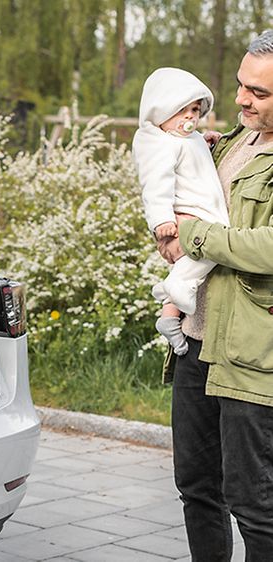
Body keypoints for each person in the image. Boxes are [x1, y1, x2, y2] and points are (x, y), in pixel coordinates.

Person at [158, 30, 273, 562]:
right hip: (197, 343)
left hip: (252, 355)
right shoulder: (228, 143)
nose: (243, 100)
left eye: (260, 93)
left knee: (254, 504)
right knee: (197, 489)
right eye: (240, 86)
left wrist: (195, 236)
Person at [133, 67, 230, 356]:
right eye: (181, 111)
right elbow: (155, 184)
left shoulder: (189, 138)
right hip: (191, 211)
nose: (190, 117)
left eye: (195, 110)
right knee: (203, 256)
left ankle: (169, 315)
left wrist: (207, 141)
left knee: (192, 265)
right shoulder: (159, 144)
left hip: (206, 211)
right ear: (160, 110)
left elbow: (197, 161)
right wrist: (161, 219)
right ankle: (174, 294)